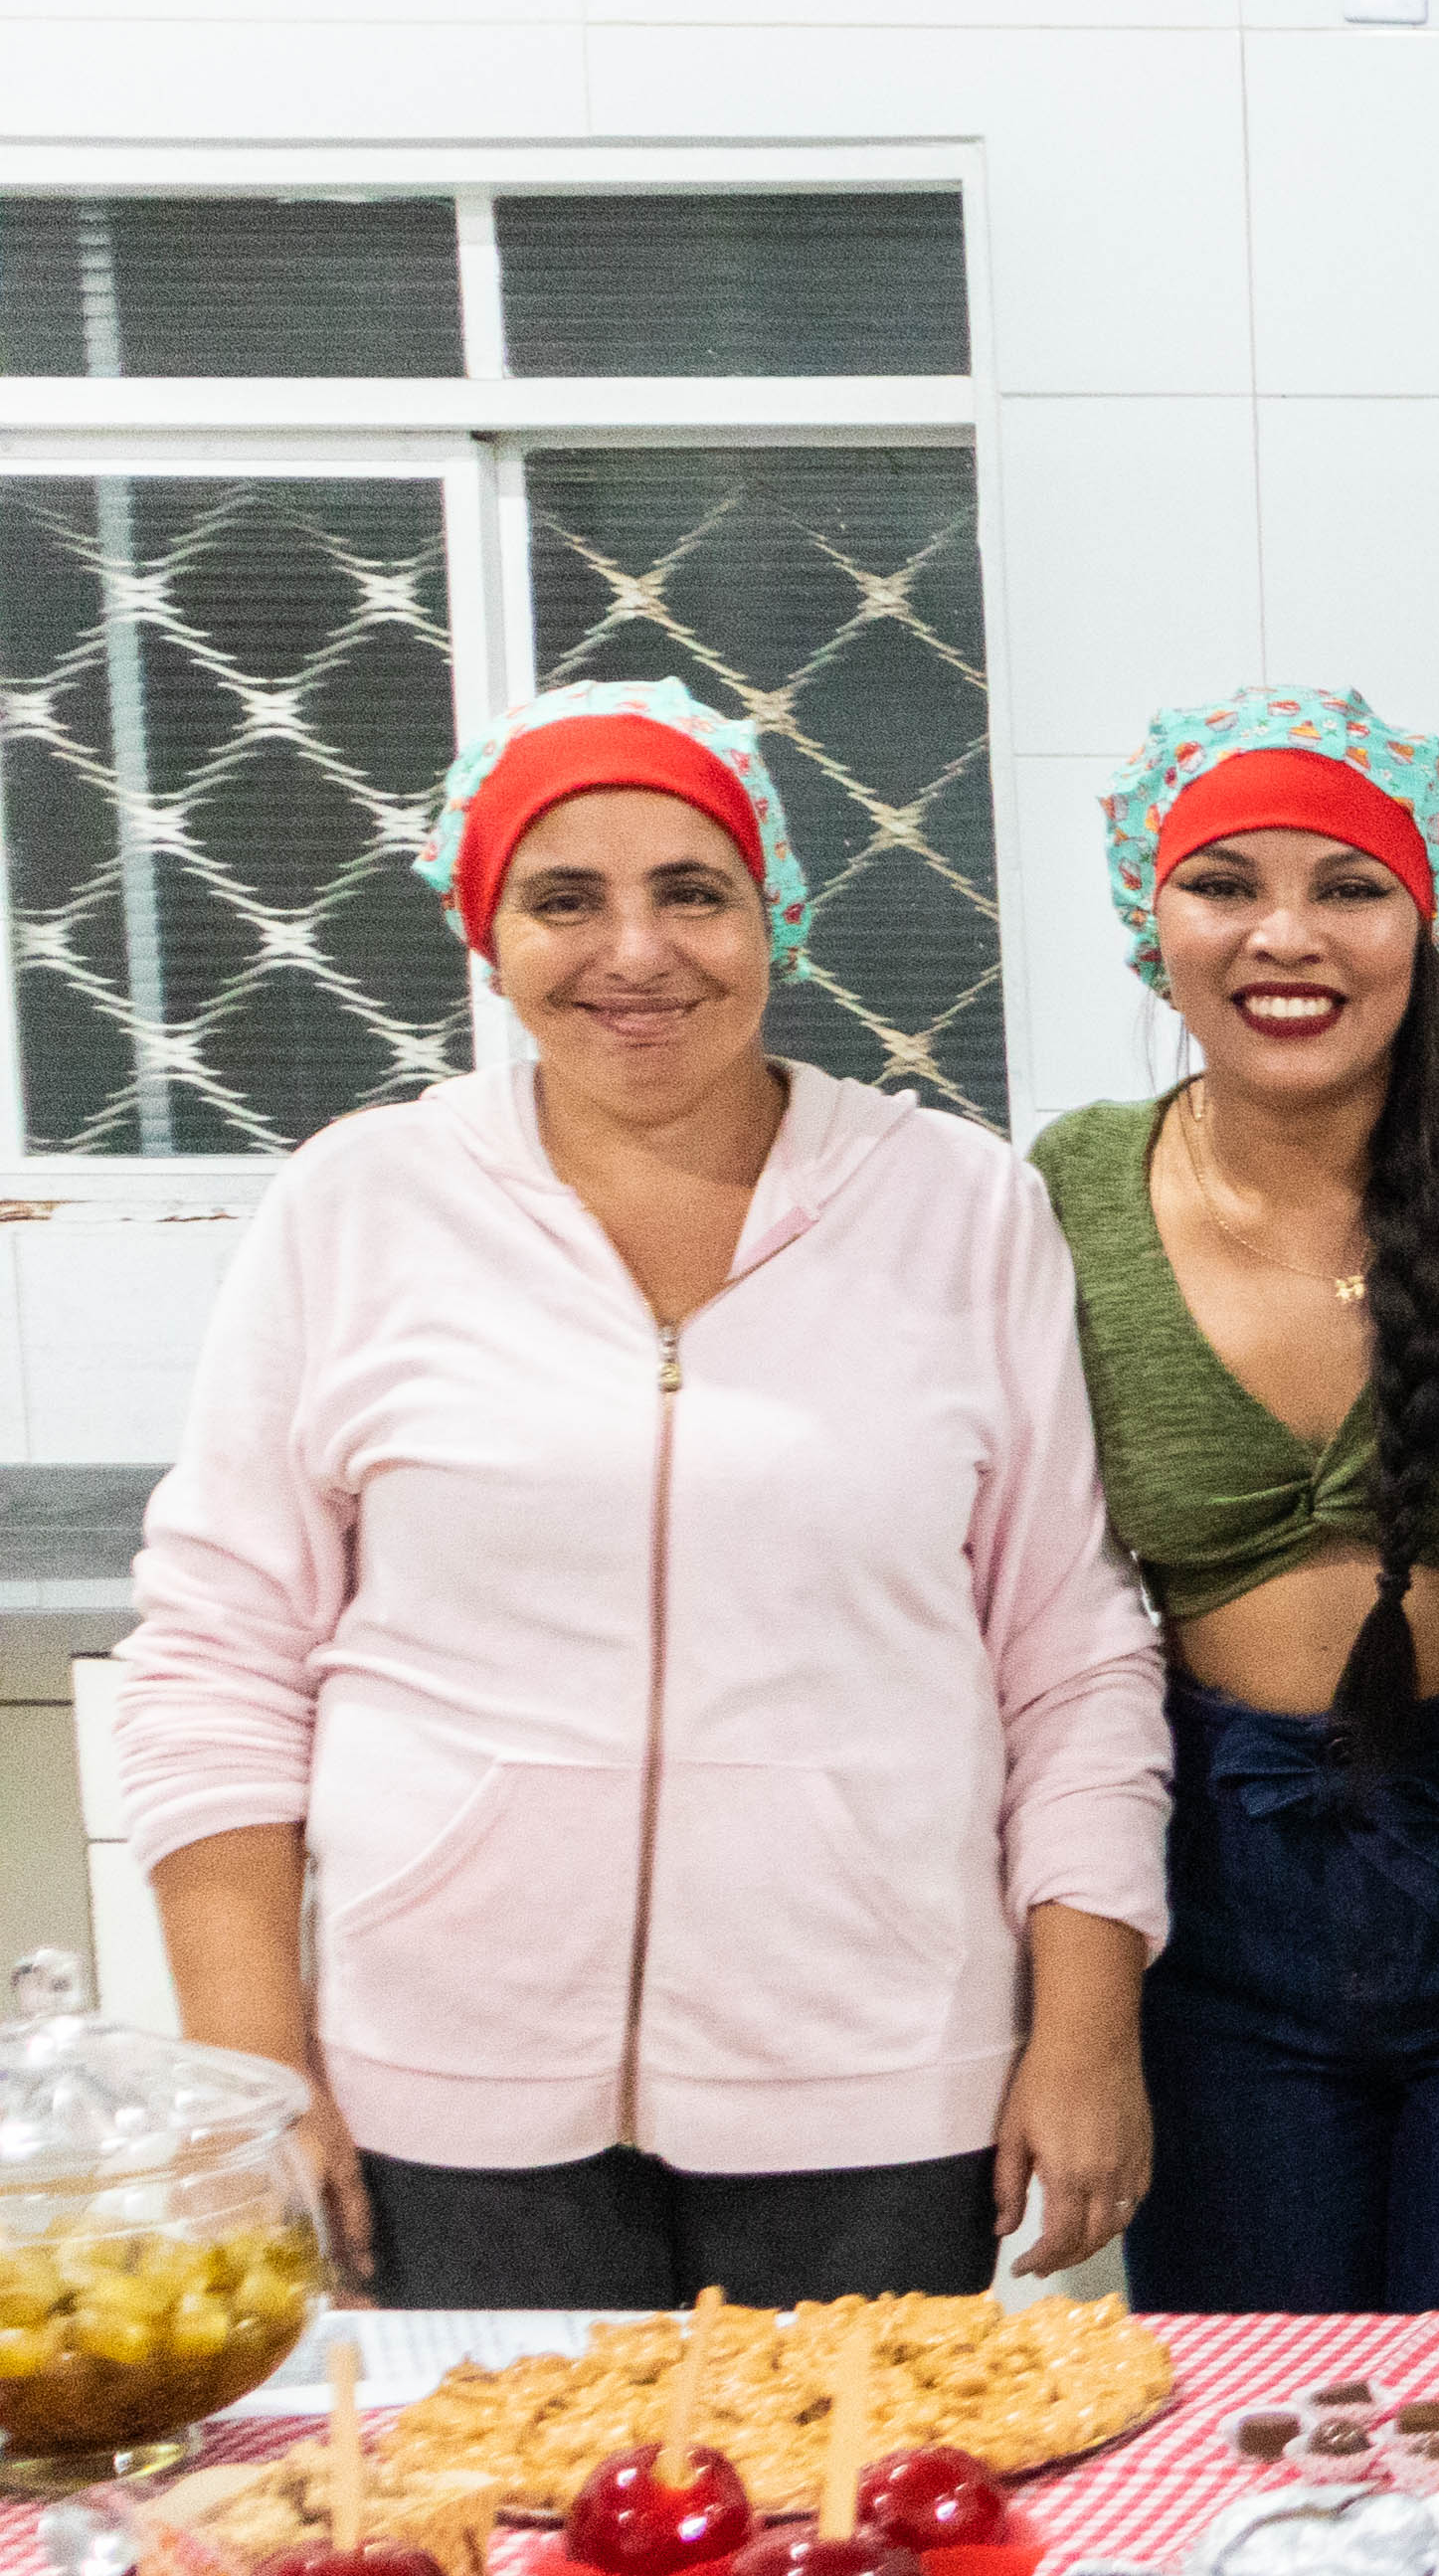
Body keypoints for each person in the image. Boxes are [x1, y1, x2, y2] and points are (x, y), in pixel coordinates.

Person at [119, 679, 1165, 2304]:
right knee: (495, 2548)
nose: (636, 951)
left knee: (852, 2545)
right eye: (565, 899)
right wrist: (253, 2082)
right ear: (486, 930)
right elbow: (219, 1656)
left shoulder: (958, 1206)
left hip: (875, 2085)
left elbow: (1070, 1652)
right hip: (444, 2097)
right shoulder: (360, 1205)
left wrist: (1086, 2032)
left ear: (774, 919)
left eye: (693, 891)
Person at [1031, 692, 1439, 2310]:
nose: (1285, 936)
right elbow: (1030, 1605)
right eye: (1226, 883)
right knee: (1254, 2432)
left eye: (1348, 885)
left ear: (1425, 917)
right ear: (1148, 920)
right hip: (1219, 1884)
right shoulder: (1064, 1189)